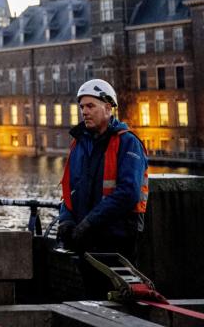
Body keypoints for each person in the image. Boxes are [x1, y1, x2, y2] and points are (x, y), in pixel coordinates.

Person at [57, 79, 149, 295]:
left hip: (116, 241)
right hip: (86, 240)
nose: (84, 112)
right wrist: (67, 220)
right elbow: (70, 189)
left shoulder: (127, 143)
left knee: (115, 300)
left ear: (108, 108)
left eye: (90, 106)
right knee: (92, 297)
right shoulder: (80, 144)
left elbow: (128, 193)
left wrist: (89, 221)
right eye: (82, 107)